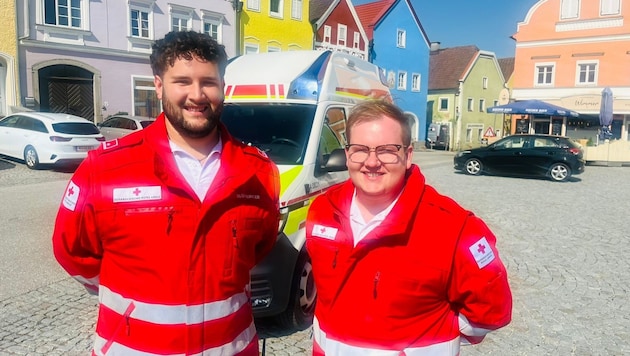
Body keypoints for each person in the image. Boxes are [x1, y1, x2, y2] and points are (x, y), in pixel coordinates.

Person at [52, 31, 280, 355]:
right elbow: (72, 252)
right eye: (182, 81)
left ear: (223, 87)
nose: (197, 95)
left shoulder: (258, 172)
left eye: (208, 82)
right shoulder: (104, 167)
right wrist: (130, 297)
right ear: (159, 85)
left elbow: (259, 248)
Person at [305, 100, 512, 355]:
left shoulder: (457, 229)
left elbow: (492, 312)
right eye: (360, 149)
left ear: (407, 155)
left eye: (387, 150)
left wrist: (433, 333)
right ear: (348, 155)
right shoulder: (322, 211)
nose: (371, 162)